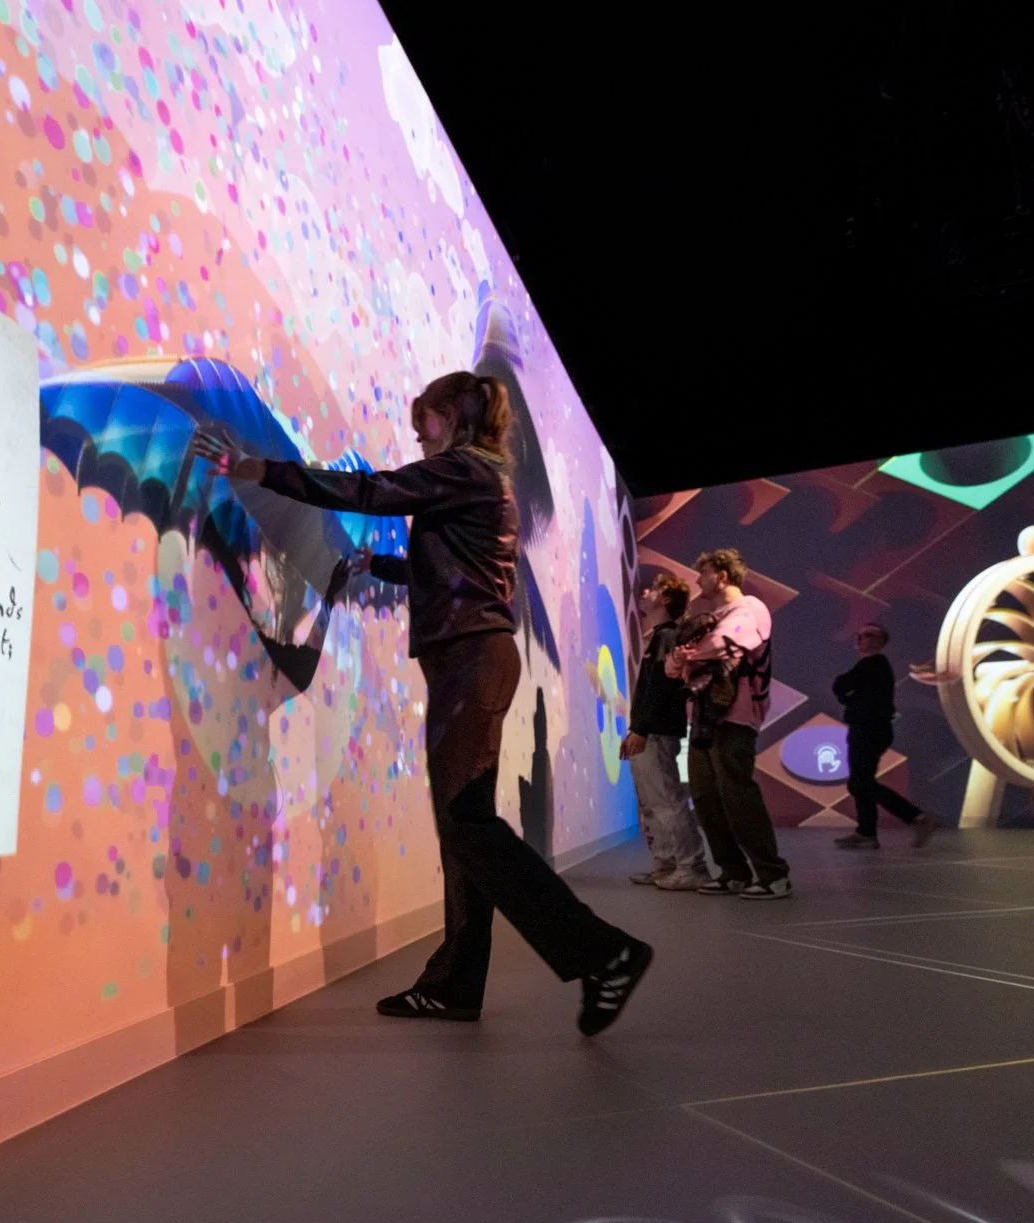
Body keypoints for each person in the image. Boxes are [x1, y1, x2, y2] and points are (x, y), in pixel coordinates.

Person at [191, 372, 653, 1036]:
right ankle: (456, 984)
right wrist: (374, 569)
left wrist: (257, 468)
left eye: (427, 420)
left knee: (466, 824)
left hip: (471, 662)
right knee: (462, 826)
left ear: (456, 418)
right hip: (471, 660)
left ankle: (603, 951)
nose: (418, 432)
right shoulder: (480, 480)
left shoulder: (464, 468)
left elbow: (372, 489)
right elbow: (454, 570)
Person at [667, 548, 791, 899]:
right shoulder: (708, 616)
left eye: (702, 572)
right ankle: (732, 871)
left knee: (737, 794)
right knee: (706, 797)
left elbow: (724, 643)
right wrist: (682, 656)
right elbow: (672, 667)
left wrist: (686, 653)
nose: (696, 580)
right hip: (703, 720)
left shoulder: (750, 608)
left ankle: (772, 875)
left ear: (722, 575)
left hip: (735, 719)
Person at [622, 573, 709, 890]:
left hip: (656, 732)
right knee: (652, 803)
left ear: (666, 600)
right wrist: (636, 728)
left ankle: (691, 866)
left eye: (654, 589)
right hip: (649, 730)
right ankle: (666, 863)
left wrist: (641, 729)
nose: (645, 591)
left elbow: (660, 689)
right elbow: (649, 691)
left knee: (667, 801)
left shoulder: (667, 637)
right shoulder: (658, 637)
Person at [833, 623, 942, 849]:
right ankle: (867, 833)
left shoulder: (873, 665)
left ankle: (917, 817)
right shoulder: (870, 667)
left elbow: (842, 685)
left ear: (880, 641)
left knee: (861, 782)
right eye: (859, 634)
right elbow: (844, 688)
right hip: (868, 728)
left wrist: (848, 699)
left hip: (870, 729)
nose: (860, 638)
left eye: (867, 635)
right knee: (859, 782)